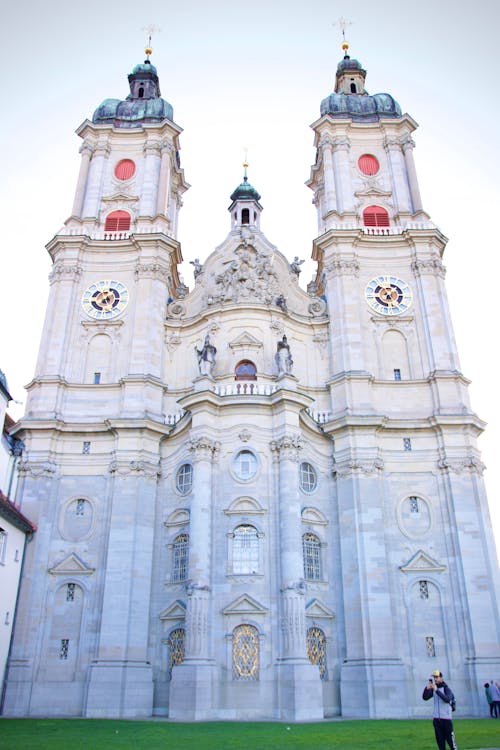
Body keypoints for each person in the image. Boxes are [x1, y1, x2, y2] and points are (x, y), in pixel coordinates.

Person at [422, 670, 458, 750]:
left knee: (452, 744)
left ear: (441, 678)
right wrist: (426, 689)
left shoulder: (446, 689)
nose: (435, 679)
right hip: (437, 720)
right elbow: (425, 698)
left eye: (437, 677)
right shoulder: (434, 689)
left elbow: (447, 699)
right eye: (434, 677)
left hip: (446, 720)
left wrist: (436, 690)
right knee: (440, 744)